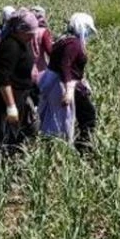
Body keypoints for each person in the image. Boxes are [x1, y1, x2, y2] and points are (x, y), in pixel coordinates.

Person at [0, 11, 38, 163]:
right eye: (30, 33)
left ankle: (7, 160)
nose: (33, 36)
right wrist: (11, 106)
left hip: (18, 95)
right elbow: (2, 78)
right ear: (20, 30)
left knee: (15, 132)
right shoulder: (10, 46)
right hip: (3, 101)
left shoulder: (20, 42)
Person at [38, 13, 98, 151]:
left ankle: (66, 147)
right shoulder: (73, 44)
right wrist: (69, 90)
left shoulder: (65, 38)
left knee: (59, 118)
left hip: (59, 84)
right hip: (68, 85)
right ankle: (83, 148)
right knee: (87, 116)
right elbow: (66, 65)